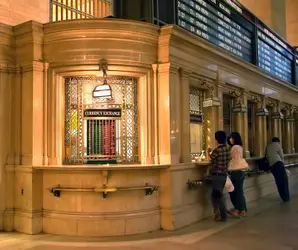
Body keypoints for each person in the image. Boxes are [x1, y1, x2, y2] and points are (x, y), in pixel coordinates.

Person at [208, 131, 231, 222]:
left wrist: (209, 152)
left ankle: (223, 215)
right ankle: (217, 214)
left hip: (217, 175)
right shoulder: (228, 148)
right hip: (224, 175)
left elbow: (212, 158)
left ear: (217, 139)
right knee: (215, 195)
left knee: (218, 196)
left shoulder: (217, 150)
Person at [227, 132, 248, 217]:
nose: (230, 140)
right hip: (241, 171)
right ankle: (242, 209)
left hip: (236, 171)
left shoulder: (235, 147)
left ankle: (239, 210)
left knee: (236, 192)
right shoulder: (240, 147)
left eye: (231, 138)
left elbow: (229, 157)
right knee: (239, 191)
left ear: (235, 138)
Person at [265, 137, 290, 202]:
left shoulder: (268, 146)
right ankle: (286, 197)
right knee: (284, 181)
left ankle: (282, 196)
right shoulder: (278, 145)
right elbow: (282, 156)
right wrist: (283, 163)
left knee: (278, 181)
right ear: (278, 141)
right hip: (278, 163)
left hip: (272, 166)